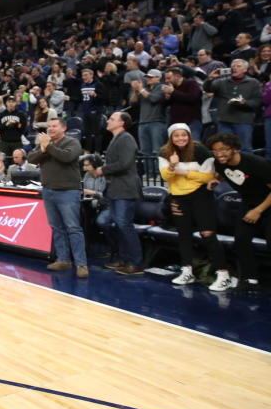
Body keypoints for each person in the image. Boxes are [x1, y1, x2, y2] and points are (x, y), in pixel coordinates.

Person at [158, 124, 227, 286]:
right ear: (171, 138)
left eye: (184, 135)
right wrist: (173, 165)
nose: (181, 138)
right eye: (176, 135)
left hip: (201, 196)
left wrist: (183, 172)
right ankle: (187, 271)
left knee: (207, 234)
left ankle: (223, 274)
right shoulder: (165, 152)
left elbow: (208, 177)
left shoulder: (200, 150)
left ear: (189, 136)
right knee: (184, 235)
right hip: (178, 198)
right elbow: (166, 176)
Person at [206, 133, 271, 291]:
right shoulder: (220, 162)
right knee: (241, 240)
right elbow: (225, 172)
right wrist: (217, 179)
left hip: (266, 203)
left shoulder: (257, 164)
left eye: (223, 150)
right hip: (248, 203)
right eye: (215, 151)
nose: (219, 154)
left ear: (234, 149)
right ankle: (250, 279)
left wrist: (258, 210)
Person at [28, 117, 87, 276]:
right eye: (49, 126)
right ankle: (63, 259)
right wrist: (43, 149)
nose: (51, 129)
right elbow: (31, 158)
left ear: (64, 128)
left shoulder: (72, 143)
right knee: (57, 228)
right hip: (49, 191)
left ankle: (81, 264)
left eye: (54, 126)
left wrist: (48, 147)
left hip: (68, 191)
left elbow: (66, 157)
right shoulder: (44, 145)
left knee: (73, 228)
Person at [95, 112, 143, 276]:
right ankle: (123, 258)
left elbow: (124, 163)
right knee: (118, 225)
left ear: (122, 123)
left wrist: (103, 169)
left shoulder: (127, 138)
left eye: (112, 119)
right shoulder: (116, 139)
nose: (108, 120)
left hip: (126, 188)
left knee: (124, 224)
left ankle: (135, 263)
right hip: (115, 188)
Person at [203, 59, 262, 153]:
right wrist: (210, 78)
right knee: (224, 148)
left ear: (245, 69)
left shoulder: (253, 82)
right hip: (224, 120)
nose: (234, 68)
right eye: (233, 66)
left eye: (238, 66)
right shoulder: (222, 81)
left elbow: (257, 101)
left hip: (244, 121)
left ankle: (246, 167)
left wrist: (245, 103)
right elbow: (208, 88)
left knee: (245, 148)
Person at [131, 68, 167, 178]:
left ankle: (159, 174)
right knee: (145, 151)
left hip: (157, 122)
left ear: (159, 78)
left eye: (151, 77)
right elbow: (133, 103)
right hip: (143, 122)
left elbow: (154, 99)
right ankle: (149, 173)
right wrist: (135, 91)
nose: (148, 79)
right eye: (148, 77)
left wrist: (141, 89)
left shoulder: (161, 88)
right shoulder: (144, 89)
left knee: (157, 150)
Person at [162, 66, 203, 141]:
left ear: (177, 76)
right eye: (166, 78)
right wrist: (167, 98)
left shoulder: (191, 83)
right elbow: (164, 105)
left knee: (193, 145)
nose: (166, 81)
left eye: (169, 78)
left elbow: (193, 98)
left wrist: (173, 92)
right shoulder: (172, 87)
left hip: (191, 121)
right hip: (176, 123)